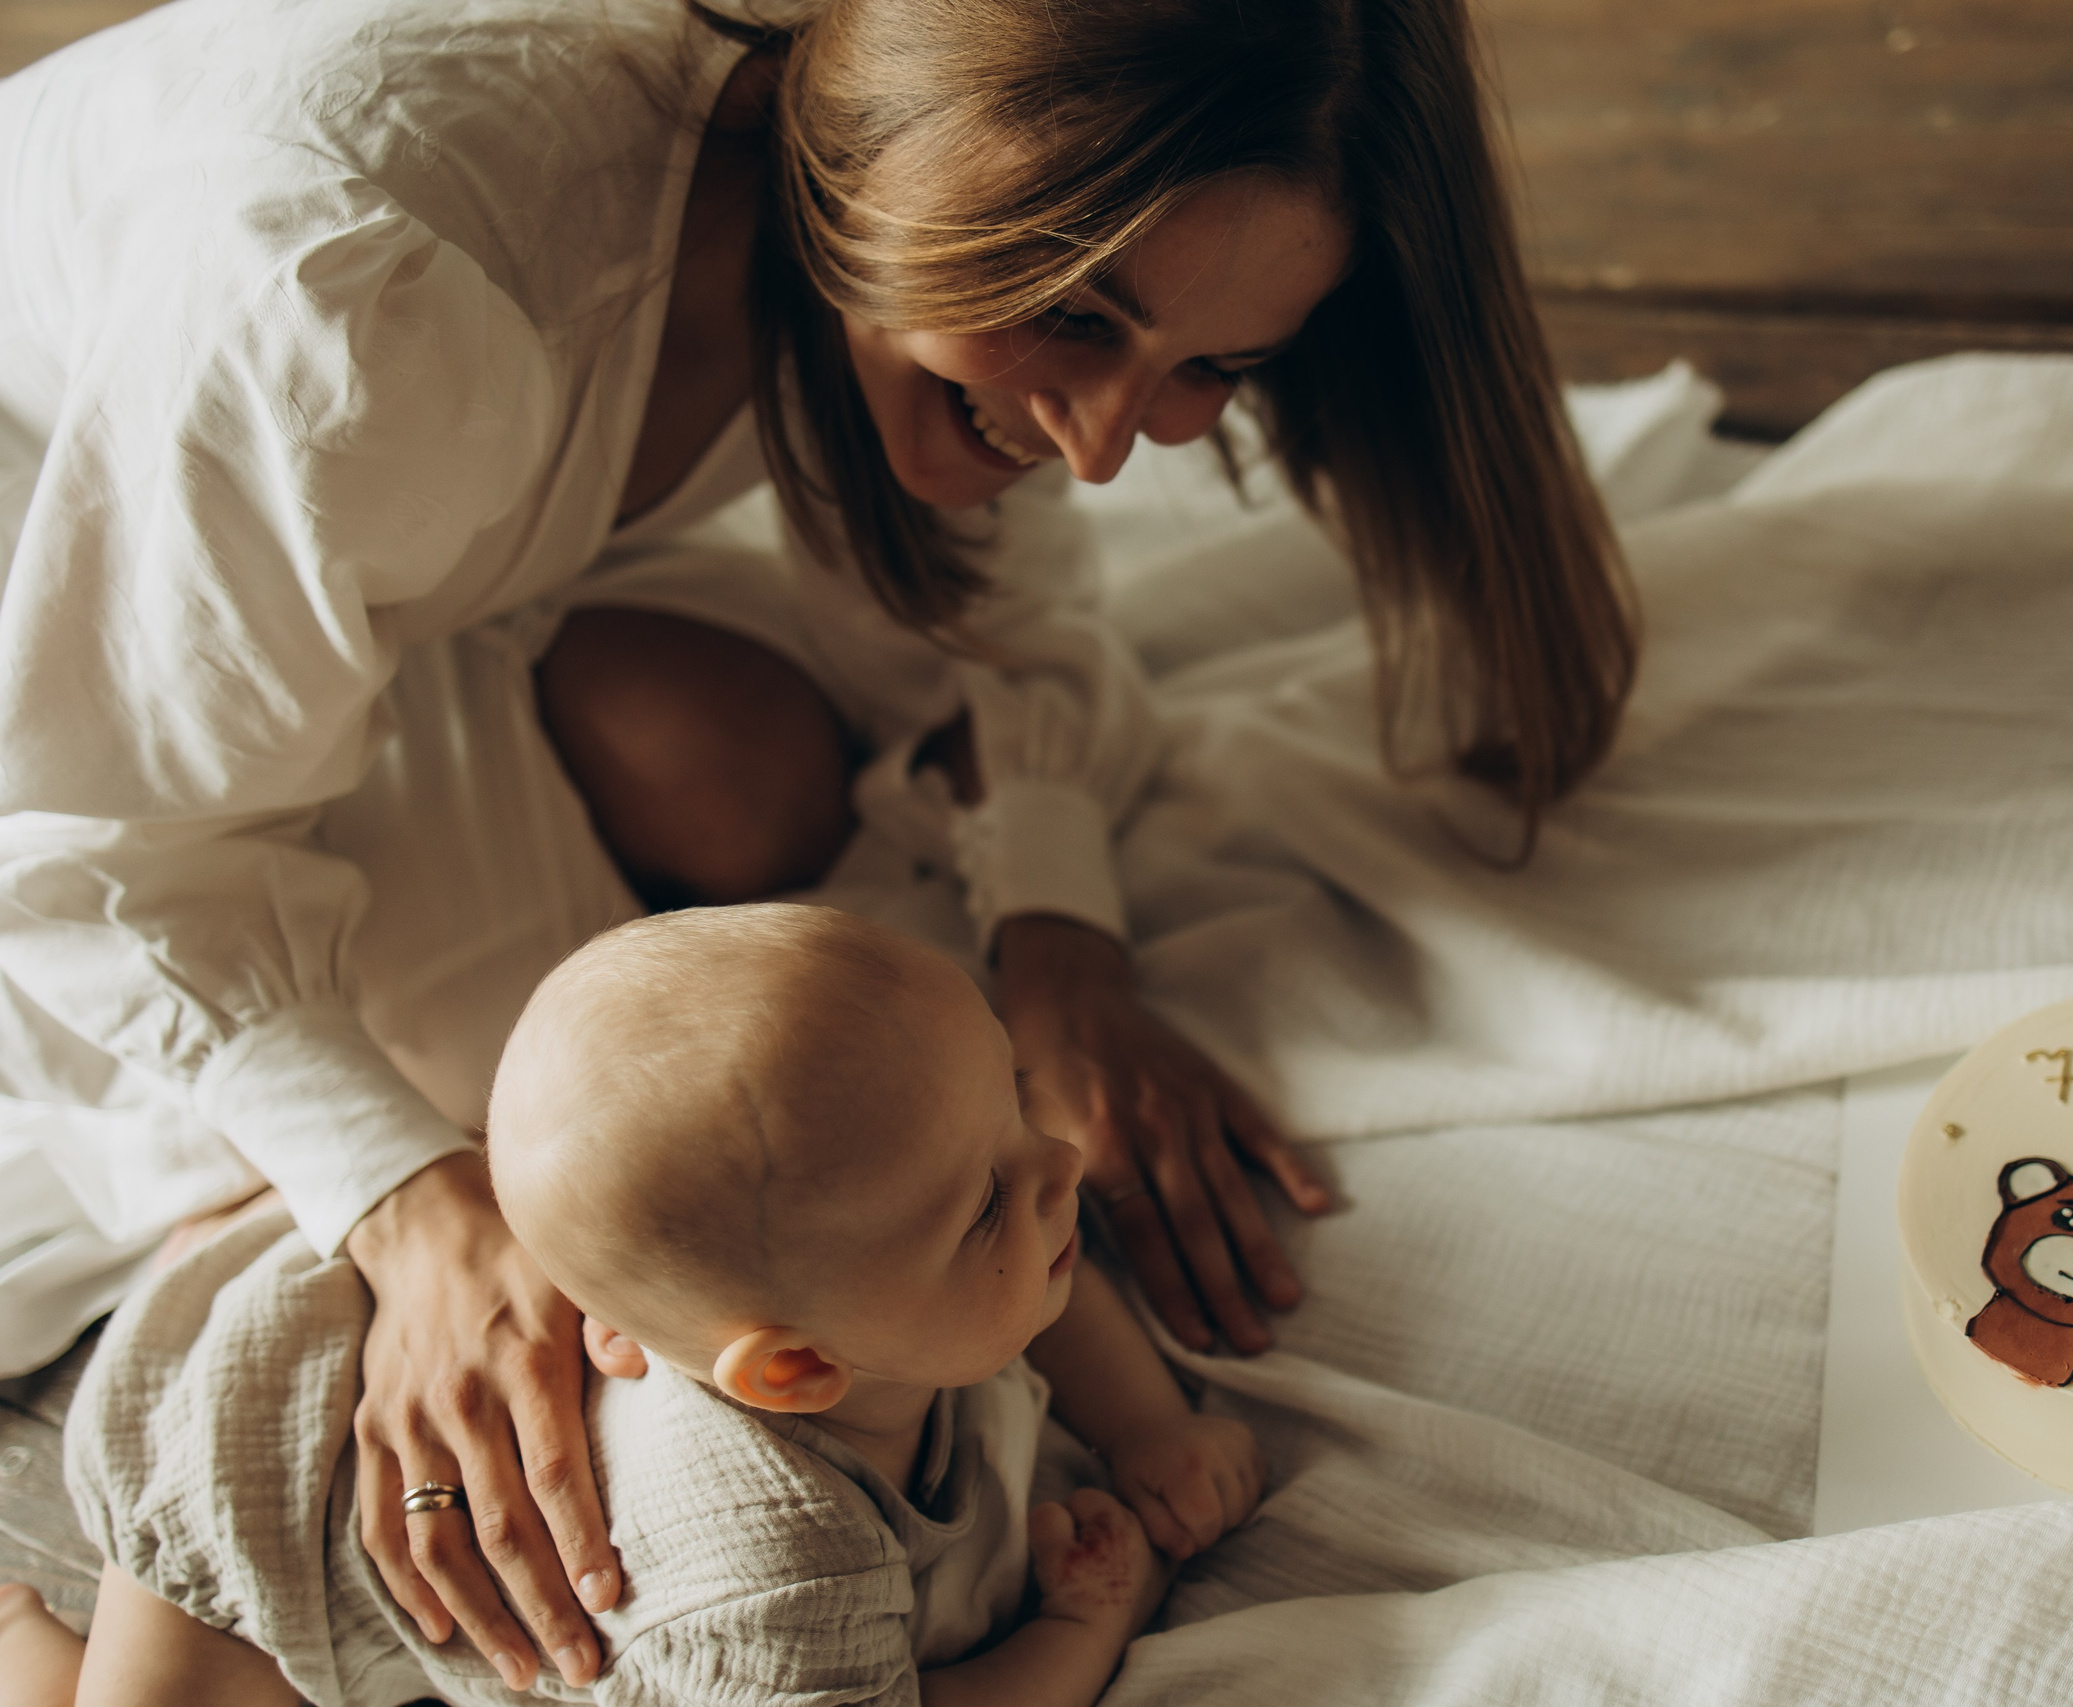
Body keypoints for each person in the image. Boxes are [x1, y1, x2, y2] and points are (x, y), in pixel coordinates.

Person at [0, 0, 1633, 1686]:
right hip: (61, 635)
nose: (1095, 446)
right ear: (902, 139)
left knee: (739, 801)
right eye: (1074, 317)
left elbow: (1007, 616)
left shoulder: (903, 219)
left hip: (372, 559)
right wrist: (409, 1208)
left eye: (1212, 369)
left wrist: (1060, 946)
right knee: (580, 1182)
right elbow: (99, 840)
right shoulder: (354, 291)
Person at [0, 903, 1263, 1705]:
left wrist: (1150, 1427)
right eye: (988, 1200)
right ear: (790, 1372)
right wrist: (1081, 1629)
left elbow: (1047, 1289)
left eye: (1016, 1107)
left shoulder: (885, 1286)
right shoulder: (767, 1567)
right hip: (269, 1485)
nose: (1061, 1169)